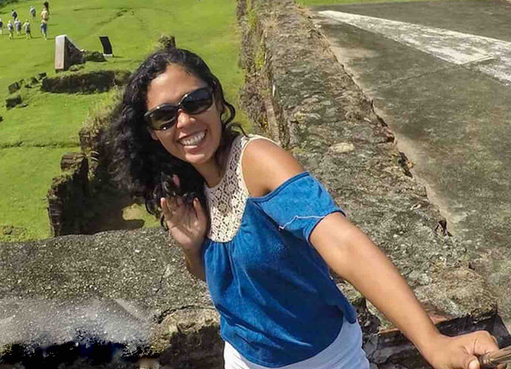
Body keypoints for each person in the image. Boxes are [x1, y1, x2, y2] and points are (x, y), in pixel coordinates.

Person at [109, 47, 500, 369]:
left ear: (214, 96)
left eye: (195, 101)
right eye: (164, 116)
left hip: (322, 359)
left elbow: (342, 242)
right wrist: (192, 246)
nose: (184, 121)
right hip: (243, 357)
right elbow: (218, 279)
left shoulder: (256, 160)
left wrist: (432, 343)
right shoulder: (186, 185)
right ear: (152, 131)